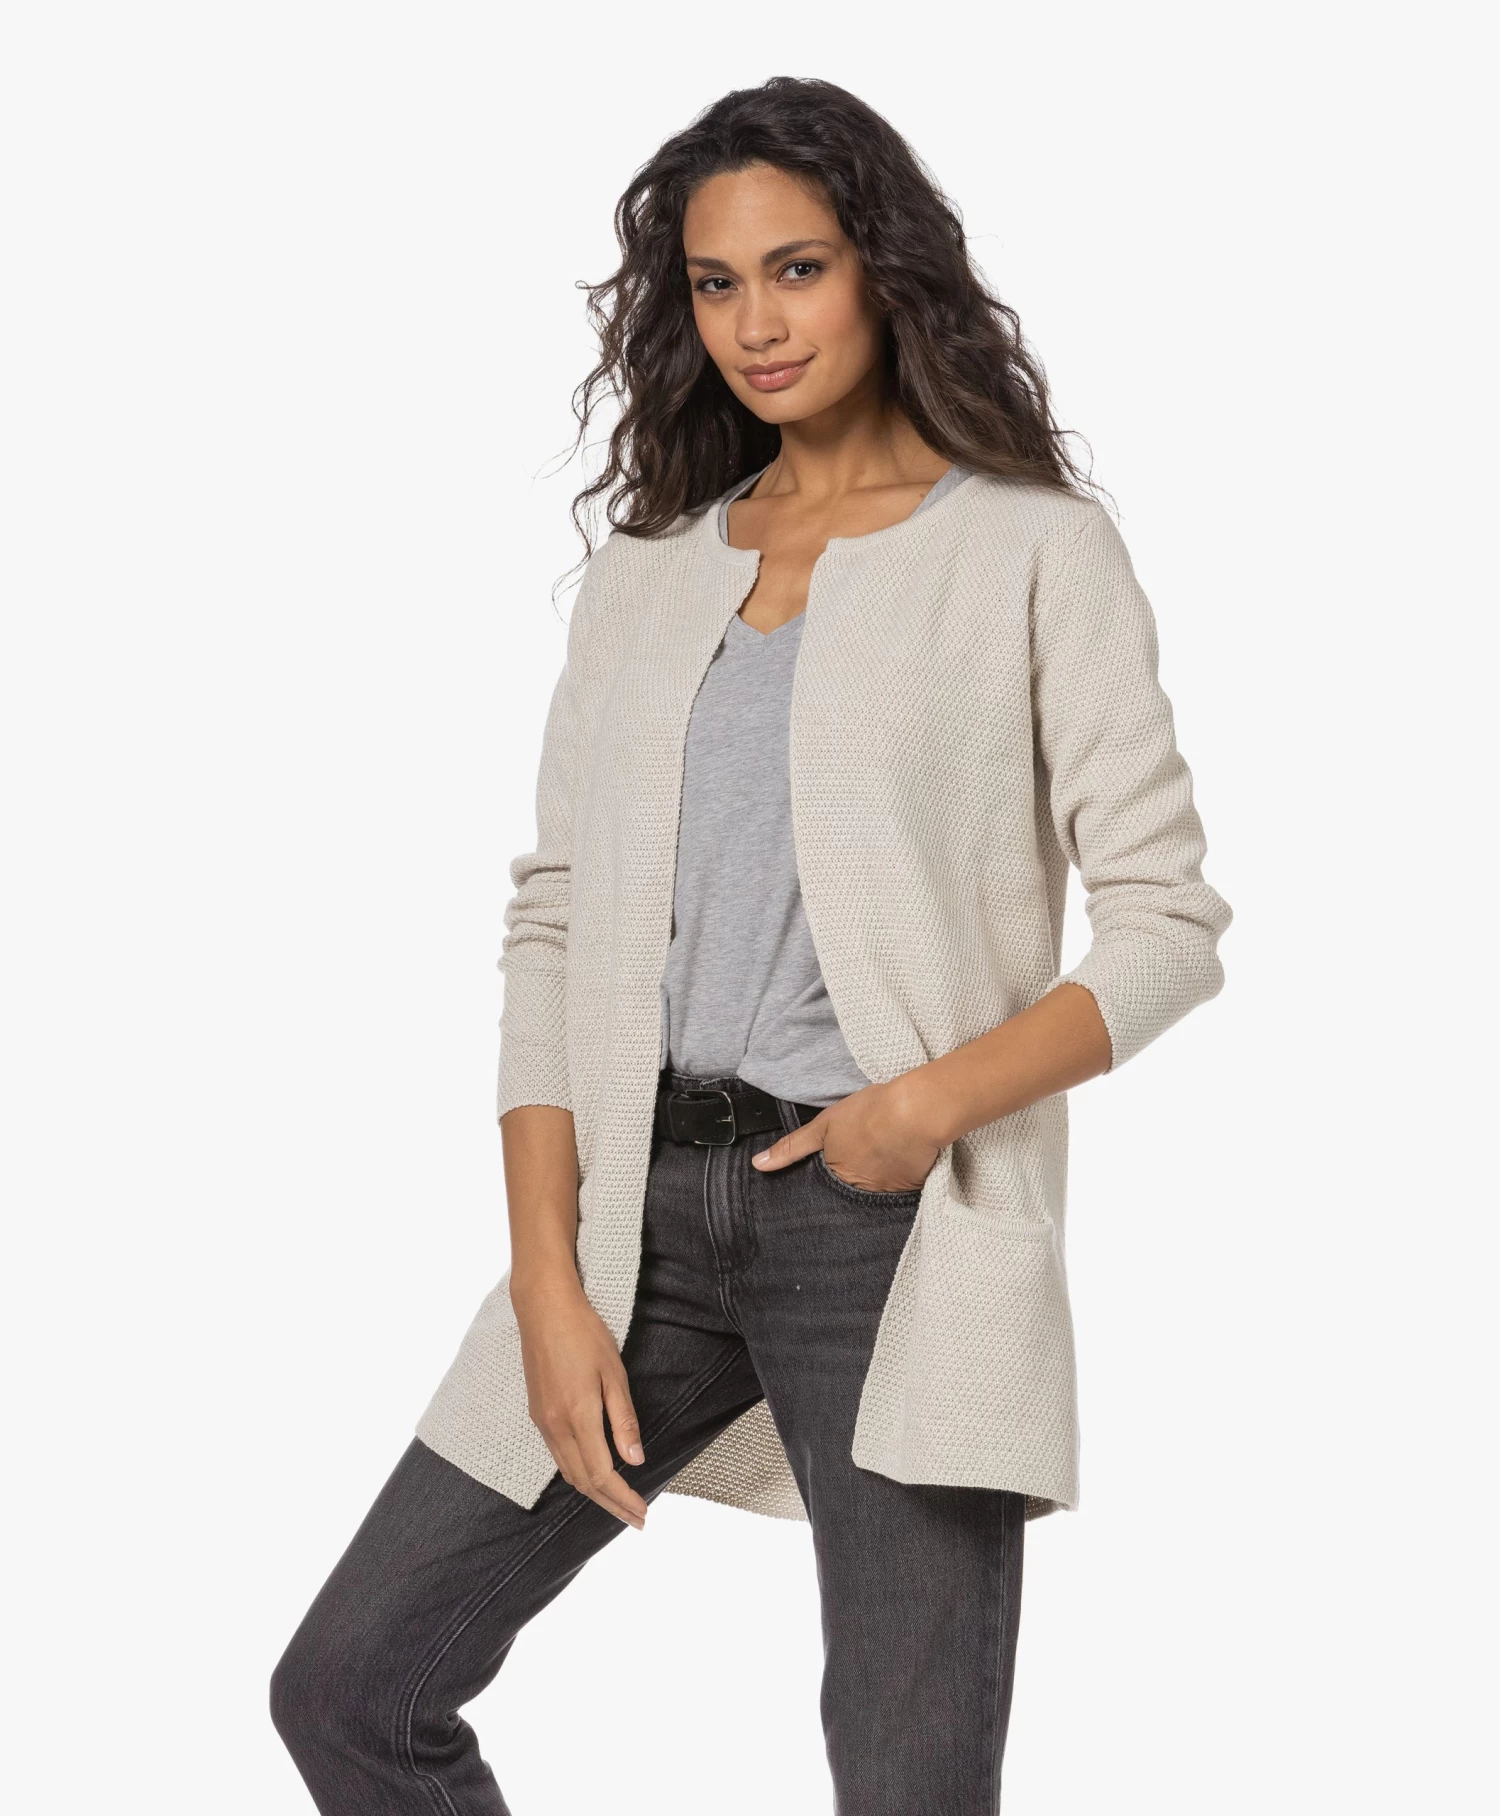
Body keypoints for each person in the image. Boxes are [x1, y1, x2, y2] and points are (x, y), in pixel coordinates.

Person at [270, 75, 1233, 1816]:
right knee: (353, 1689)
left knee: (908, 1783)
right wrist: (547, 1279)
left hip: (890, 1230)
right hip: (634, 1221)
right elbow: (556, 919)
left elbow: (1167, 924)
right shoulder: (650, 572)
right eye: (717, 285)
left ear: (885, 270)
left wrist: (917, 1111)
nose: (757, 325)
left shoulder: (1029, 550)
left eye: (797, 270)